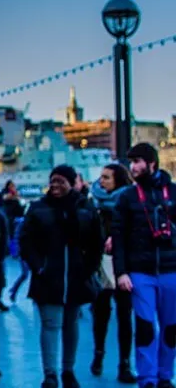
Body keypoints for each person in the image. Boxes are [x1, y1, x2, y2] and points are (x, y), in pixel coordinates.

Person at [20, 165, 104, 388]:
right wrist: (39, 268)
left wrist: (89, 268)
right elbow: (26, 242)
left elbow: (96, 241)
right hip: (49, 277)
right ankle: (50, 374)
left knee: (71, 324)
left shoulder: (85, 208)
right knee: (51, 323)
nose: (55, 186)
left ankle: (68, 370)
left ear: (71, 182)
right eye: (53, 181)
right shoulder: (38, 208)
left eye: (61, 181)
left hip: (77, 276)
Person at [112, 143, 176, 388]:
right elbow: (118, 237)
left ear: (152, 163)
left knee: (171, 328)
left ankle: (165, 375)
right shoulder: (127, 197)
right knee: (146, 326)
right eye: (131, 162)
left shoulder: (173, 192)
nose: (133, 166)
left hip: (171, 270)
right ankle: (147, 378)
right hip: (140, 273)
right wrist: (121, 273)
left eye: (138, 161)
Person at [89, 164, 136, 383]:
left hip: (123, 264)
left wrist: (117, 239)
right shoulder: (94, 203)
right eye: (101, 177)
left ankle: (124, 363)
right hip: (101, 263)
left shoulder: (128, 202)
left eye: (106, 178)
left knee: (124, 315)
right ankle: (98, 354)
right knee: (101, 313)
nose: (102, 181)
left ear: (118, 180)